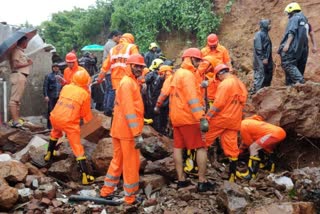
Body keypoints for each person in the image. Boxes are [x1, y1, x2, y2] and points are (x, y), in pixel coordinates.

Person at [100, 54, 145, 204]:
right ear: (129, 65)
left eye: (141, 67)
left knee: (117, 161)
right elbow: (129, 110)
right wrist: (136, 133)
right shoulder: (128, 83)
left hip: (120, 129)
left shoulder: (129, 81)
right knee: (131, 163)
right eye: (136, 66)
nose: (139, 69)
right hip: (127, 132)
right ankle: (130, 197)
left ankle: (107, 191)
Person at [169, 48, 214, 192]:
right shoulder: (188, 75)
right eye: (196, 60)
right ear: (188, 59)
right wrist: (201, 117)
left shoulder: (177, 74)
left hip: (176, 118)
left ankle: (181, 180)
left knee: (178, 147)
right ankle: (202, 181)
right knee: (201, 147)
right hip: (188, 118)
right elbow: (192, 99)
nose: (198, 63)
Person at [44, 70, 94, 185]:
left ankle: (49, 154)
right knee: (77, 147)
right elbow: (85, 115)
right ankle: (85, 176)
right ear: (86, 82)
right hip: (69, 122)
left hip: (55, 117)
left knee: (55, 133)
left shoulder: (66, 87)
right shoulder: (84, 94)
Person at [205, 64, 247, 182]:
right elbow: (243, 101)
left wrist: (207, 117)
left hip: (221, 119)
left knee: (204, 139)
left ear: (219, 74)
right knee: (232, 148)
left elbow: (218, 104)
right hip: (234, 120)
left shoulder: (225, 84)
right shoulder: (239, 83)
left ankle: (196, 168)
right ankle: (232, 176)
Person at [97, 33, 139, 115]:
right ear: (131, 40)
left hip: (115, 80)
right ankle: (127, 118)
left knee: (117, 100)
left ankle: (115, 115)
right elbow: (137, 63)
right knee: (128, 101)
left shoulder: (113, 50)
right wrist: (142, 78)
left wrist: (100, 78)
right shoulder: (132, 47)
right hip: (127, 79)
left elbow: (105, 66)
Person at [237, 115, 286, 180]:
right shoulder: (247, 121)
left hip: (274, 134)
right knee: (265, 148)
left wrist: (239, 152)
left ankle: (252, 173)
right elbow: (258, 117)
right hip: (278, 131)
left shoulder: (242, 127)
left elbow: (248, 143)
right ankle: (269, 166)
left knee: (253, 147)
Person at [278, 2, 308, 85]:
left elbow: (291, 32)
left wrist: (287, 45)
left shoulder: (294, 18)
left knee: (287, 64)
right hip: (301, 49)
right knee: (297, 66)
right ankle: (291, 86)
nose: (287, 15)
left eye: (288, 13)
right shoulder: (304, 19)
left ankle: (300, 82)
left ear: (292, 11)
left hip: (292, 47)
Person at [8, 36, 33, 128]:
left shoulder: (21, 52)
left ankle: (17, 120)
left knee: (17, 100)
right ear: (23, 42)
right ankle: (15, 121)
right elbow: (15, 65)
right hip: (18, 75)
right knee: (14, 100)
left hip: (21, 76)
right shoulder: (16, 51)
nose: (27, 44)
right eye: (27, 42)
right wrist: (28, 63)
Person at [102, 30, 122, 116]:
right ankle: (109, 109)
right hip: (110, 71)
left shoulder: (108, 44)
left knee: (108, 89)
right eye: (119, 37)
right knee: (111, 90)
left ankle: (106, 107)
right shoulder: (112, 45)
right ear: (114, 36)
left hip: (107, 71)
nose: (120, 39)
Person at [251, 19, 273, 94]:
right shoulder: (259, 34)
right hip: (260, 60)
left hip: (266, 60)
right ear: (264, 25)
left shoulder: (265, 34)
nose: (270, 26)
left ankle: (264, 93)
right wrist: (263, 58)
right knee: (260, 75)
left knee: (268, 74)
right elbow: (258, 48)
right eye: (268, 24)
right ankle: (256, 94)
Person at [43, 63, 62, 129]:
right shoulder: (48, 76)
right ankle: (49, 126)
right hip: (51, 96)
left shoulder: (61, 76)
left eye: (57, 67)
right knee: (51, 111)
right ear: (52, 68)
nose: (56, 68)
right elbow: (45, 86)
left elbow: (63, 86)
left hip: (59, 97)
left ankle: (57, 126)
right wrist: (46, 95)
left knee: (59, 112)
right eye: (54, 67)